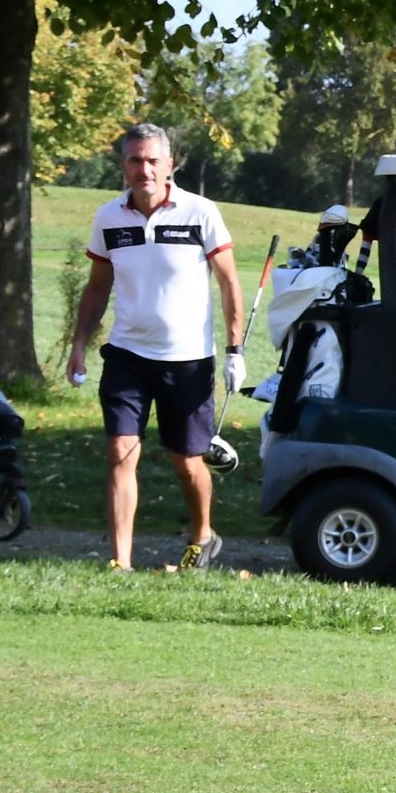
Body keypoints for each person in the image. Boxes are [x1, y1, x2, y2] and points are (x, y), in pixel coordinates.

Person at [66, 123, 245, 571]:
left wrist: (234, 350)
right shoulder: (109, 218)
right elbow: (97, 287)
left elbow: (229, 282)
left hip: (187, 360)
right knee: (120, 452)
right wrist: (79, 345)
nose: (143, 170)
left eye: (152, 161)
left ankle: (203, 536)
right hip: (127, 356)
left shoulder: (200, 212)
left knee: (187, 462)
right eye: (135, 160)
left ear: (170, 165)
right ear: (123, 165)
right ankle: (120, 562)